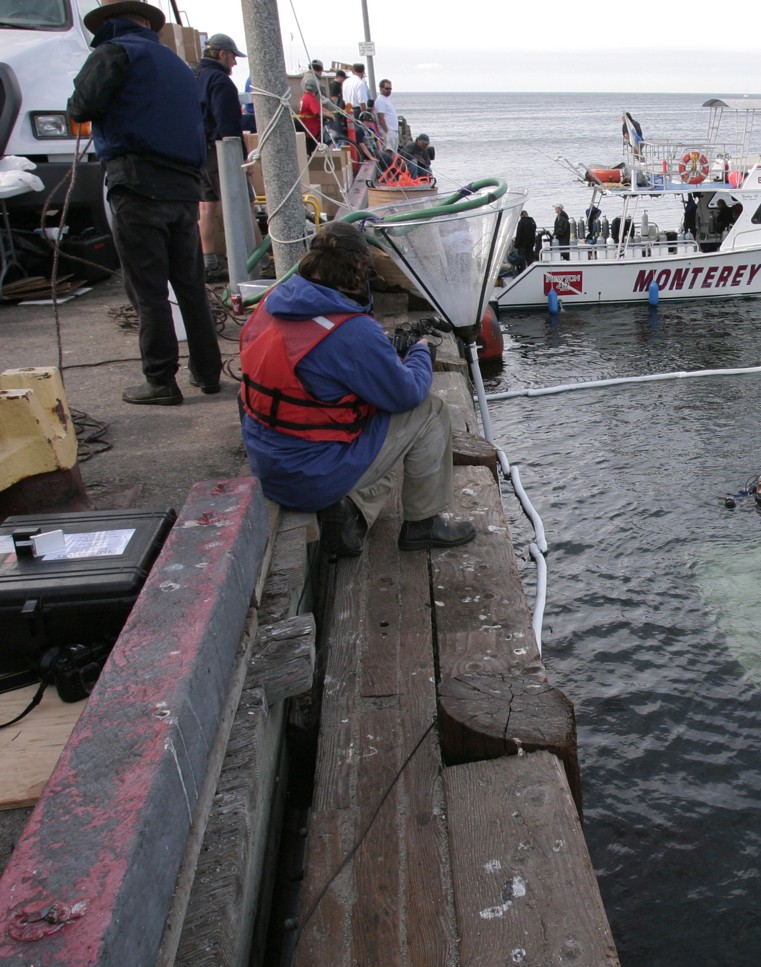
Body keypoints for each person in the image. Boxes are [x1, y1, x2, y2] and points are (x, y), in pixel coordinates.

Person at [237, 222, 476, 555]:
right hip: (311, 476)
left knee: (374, 424)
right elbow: (407, 394)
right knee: (428, 412)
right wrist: (419, 350)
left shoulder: (270, 303)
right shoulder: (352, 332)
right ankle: (424, 524)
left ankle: (353, 512)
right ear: (357, 273)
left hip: (266, 464)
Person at [67, 0, 222, 405]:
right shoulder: (178, 65)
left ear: (109, 26)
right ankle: (207, 373)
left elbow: (82, 104)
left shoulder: (114, 53)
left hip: (138, 183)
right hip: (184, 188)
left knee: (148, 290)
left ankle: (160, 381)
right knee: (191, 286)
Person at [195, 32, 247, 281]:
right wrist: (243, 160)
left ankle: (209, 263)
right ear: (222, 54)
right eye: (233, 57)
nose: (235, 63)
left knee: (206, 206)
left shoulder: (194, 77)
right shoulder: (221, 82)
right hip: (220, 152)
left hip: (200, 151)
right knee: (239, 204)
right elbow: (229, 126)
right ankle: (249, 261)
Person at [295, 75, 326, 156]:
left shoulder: (305, 97)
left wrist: (327, 112)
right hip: (311, 128)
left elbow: (319, 108)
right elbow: (317, 112)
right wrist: (331, 116)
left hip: (308, 126)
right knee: (312, 149)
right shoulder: (309, 98)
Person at [373, 78, 399, 151]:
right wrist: (387, 132)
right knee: (389, 151)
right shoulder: (380, 100)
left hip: (393, 130)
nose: (389, 90)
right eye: (387, 88)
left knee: (393, 152)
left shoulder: (386, 99)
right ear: (381, 88)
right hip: (388, 131)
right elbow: (381, 117)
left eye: (390, 89)